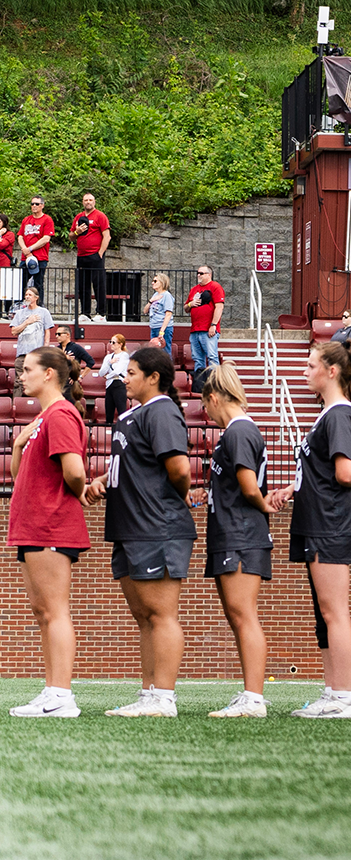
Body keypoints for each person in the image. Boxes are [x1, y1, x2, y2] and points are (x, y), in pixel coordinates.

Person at [84, 346, 193, 717]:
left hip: (156, 526)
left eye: (131, 373)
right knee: (144, 616)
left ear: (153, 377)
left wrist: (169, 500)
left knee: (161, 614)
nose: (124, 378)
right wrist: (103, 480)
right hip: (129, 527)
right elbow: (134, 464)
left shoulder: (162, 410)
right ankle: (149, 694)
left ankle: (164, 698)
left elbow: (180, 470)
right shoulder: (133, 415)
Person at [263, 341, 351, 719]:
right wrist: (293, 488)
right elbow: (321, 468)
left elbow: (344, 473)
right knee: (324, 614)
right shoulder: (327, 414)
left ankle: (343, 698)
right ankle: (331, 692)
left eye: (311, 366)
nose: (305, 372)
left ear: (332, 371)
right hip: (317, 521)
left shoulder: (339, 414)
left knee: (334, 612)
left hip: (330, 523)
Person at [6, 348, 90, 719]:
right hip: (33, 525)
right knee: (43, 612)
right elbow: (20, 475)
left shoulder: (61, 414)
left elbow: (74, 471)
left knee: (55, 611)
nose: (20, 375)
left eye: (27, 369)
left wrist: (77, 493)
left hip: (50, 523)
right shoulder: (43, 417)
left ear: (49, 374)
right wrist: (18, 444)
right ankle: (52, 689)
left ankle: (62, 695)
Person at [192, 363, 277, 718]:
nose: (205, 413)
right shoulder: (235, 432)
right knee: (237, 615)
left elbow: (249, 487)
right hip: (231, 532)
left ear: (214, 398)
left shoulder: (239, 431)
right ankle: (249, 693)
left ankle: (254, 698)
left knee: (243, 615)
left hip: (241, 534)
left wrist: (264, 504)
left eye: (205, 405)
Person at [69, 192, 110, 324]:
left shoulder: (100, 216)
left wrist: (100, 253)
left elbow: (107, 236)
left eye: (90, 200)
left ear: (94, 202)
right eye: (86, 200)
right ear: (82, 202)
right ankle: (85, 313)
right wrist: (77, 232)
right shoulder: (78, 217)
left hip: (95, 255)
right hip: (81, 255)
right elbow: (71, 236)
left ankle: (101, 313)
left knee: (99, 285)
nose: (88, 202)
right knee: (83, 286)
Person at [184, 265, 224, 381]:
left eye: (201, 273)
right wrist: (191, 304)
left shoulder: (215, 287)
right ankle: (200, 384)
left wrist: (213, 325)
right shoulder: (194, 289)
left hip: (208, 329)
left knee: (212, 357)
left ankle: (214, 382)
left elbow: (219, 307)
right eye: (198, 273)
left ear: (209, 275)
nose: (198, 275)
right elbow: (186, 308)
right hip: (195, 330)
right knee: (197, 359)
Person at [18, 195, 54, 300]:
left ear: (42, 205)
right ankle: (19, 304)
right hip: (25, 258)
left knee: (38, 284)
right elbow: (20, 236)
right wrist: (25, 249)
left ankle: (39, 305)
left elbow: (46, 238)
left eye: (37, 204)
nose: (34, 206)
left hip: (40, 257)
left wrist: (30, 249)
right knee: (20, 283)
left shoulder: (47, 219)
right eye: (32, 204)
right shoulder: (26, 220)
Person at [10, 285, 50, 355]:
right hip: (22, 352)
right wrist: (27, 322)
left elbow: (47, 332)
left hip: (37, 352)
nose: (27, 297)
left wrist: (45, 349)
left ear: (36, 298)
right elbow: (13, 331)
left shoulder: (44, 312)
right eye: (26, 295)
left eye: (30, 295)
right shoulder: (19, 313)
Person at [101, 333, 131, 422]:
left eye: (113, 342)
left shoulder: (124, 355)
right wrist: (109, 363)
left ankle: (122, 428)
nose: (111, 344)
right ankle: (108, 427)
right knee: (109, 410)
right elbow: (101, 372)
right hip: (110, 384)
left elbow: (118, 371)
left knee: (121, 409)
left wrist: (107, 376)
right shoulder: (108, 357)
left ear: (120, 344)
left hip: (120, 383)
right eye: (110, 342)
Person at [147, 273, 175, 352]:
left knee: (164, 352)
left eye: (155, 281)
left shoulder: (167, 295)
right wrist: (151, 301)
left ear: (162, 282)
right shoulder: (155, 295)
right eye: (153, 281)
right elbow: (145, 310)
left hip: (163, 328)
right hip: (154, 326)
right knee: (154, 352)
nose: (152, 283)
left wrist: (162, 331)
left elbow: (168, 314)